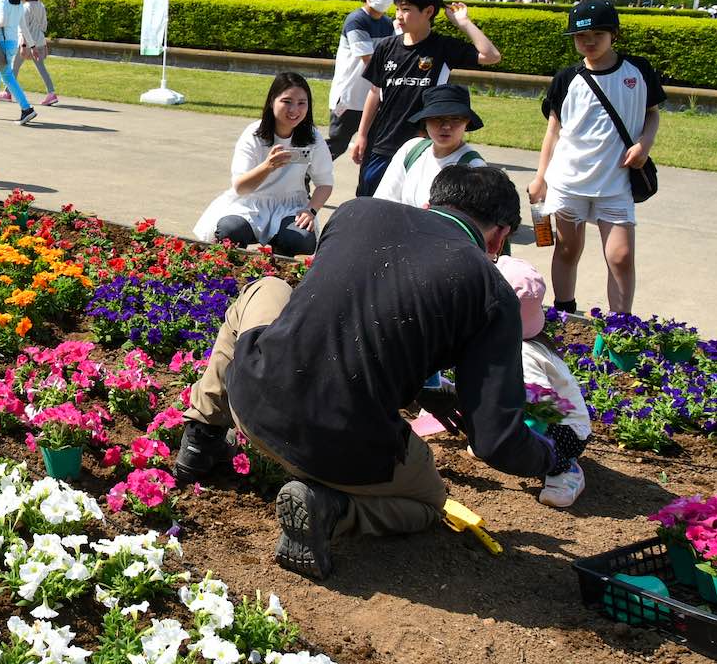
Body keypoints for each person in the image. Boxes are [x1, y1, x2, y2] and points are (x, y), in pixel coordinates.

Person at [175, 166, 555, 580]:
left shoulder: (357, 212)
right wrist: (554, 454)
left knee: (267, 288)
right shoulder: (490, 289)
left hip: (252, 395)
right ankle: (331, 510)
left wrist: (425, 388)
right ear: (499, 236)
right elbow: (498, 443)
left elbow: (345, 315)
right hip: (341, 450)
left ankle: (201, 440)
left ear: (429, 203)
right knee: (429, 503)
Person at [527, 1, 663, 314]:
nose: (588, 41)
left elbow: (651, 114)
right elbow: (554, 132)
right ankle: (564, 313)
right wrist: (540, 178)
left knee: (621, 255)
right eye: (580, 35)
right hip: (568, 180)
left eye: (597, 33)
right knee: (566, 249)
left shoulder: (638, 70)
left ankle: (620, 325)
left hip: (615, 181)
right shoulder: (566, 78)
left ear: (614, 34)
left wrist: (645, 143)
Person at [349, 0, 501, 197]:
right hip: (382, 144)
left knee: (413, 205)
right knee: (368, 202)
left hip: (422, 148)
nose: (399, 16)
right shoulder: (386, 47)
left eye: (407, 10)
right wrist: (362, 135)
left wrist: (463, 23)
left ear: (428, 11)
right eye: (398, 9)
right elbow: (375, 92)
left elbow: (491, 56)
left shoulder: (443, 47)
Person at [192, 72, 333, 256]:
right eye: (287, 101)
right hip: (250, 203)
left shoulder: (312, 138)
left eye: (301, 103)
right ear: (272, 101)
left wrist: (310, 210)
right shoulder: (254, 135)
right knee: (230, 230)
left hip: (290, 206)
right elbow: (241, 187)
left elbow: (325, 183)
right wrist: (267, 166)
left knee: (300, 239)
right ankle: (232, 270)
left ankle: (279, 264)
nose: (294, 110)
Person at [494, 256, 591, 508]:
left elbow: (542, 404)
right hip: (557, 419)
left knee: (520, 439)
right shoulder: (529, 341)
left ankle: (564, 470)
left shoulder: (523, 354)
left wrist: (514, 435)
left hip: (563, 428)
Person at [374, 84, 486, 209]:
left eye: (455, 118)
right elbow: (384, 200)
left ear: (467, 122)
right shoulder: (411, 149)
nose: (446, 126)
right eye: (437, 118)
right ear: (425, 122)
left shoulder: (475, 168)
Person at [326, 0, 398, 158]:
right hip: (348, 98)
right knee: (336, 145)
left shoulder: (387, 24)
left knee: (374, 149)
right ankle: (302, 175)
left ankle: (367, 189)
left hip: (372, 100)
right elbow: (370, 61)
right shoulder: (356, 21)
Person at [13, 0, 57, 106]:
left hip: (27, 43)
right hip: (39, 41)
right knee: (41, 69)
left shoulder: (25, 8)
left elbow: (23, 28)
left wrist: (23, 45)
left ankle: (8, 92)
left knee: (13, 68)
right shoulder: (41, 6)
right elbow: (44, 26)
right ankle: (51, 93)